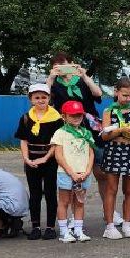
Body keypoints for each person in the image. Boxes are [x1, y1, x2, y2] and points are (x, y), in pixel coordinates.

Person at [47, 54, 111, 212]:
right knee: (69, 173)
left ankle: (108, 210)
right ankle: (69, 216)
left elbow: (97, 94)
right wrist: (50, 79)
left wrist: (85, 75)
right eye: (57, 66)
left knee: (101, 172)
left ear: (72, 64)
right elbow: (46, 102)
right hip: (68, 131)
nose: (62, 68)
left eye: (64, 64)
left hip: (91, 129)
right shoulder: (54, 84)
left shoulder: (82, 80)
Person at [14, 81, 63, 241]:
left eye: (44, 97)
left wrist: (46, 157)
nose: (41, 100)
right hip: (32, 159)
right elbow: (23, 140)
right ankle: (35, 226)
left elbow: (57, 142)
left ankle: (50, 227)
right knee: (34, 194)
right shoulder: (26, 118)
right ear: (31, 99)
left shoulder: (56, 118)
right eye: (37, 97)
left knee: (50, 193)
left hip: (49, 158)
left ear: (49, 98)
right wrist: (26, 158)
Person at [98, 78, 130, 239]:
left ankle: (126, 224)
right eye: (125, 95)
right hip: (113, 150)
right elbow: (104, 136)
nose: (128, 99)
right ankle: (110, 226)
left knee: (129, 190)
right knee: (111, 189)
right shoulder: (108, 111)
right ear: (116, 92)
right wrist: (121, 129)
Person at [51, 99, 95, 243]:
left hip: (83, 174)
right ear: (64, 116)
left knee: (80, 202)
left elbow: (91, 153)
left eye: (79, 115)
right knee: (64, 202)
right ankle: (64, 232)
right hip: (66, 173)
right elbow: (59, 155)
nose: (76, 118)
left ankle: (78, 230)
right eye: (72, 115)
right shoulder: (60, 133)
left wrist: (88, 171)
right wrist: (71, 173)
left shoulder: (86, 132)